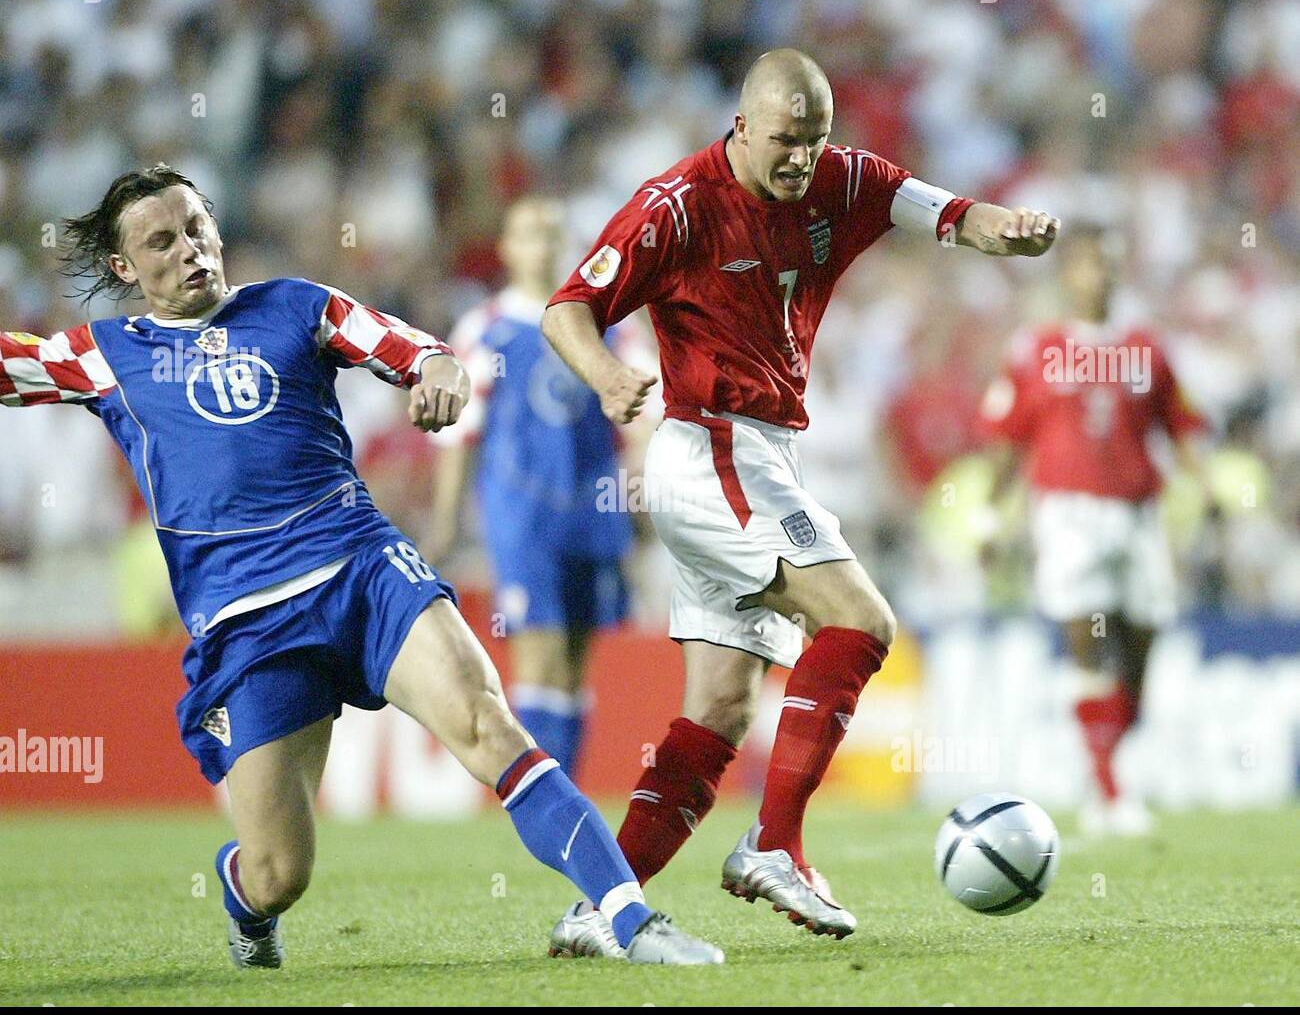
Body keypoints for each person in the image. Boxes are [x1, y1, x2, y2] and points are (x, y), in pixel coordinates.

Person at [0, 164, 722, 967]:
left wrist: (439, 371)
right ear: (125, 269)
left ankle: (628, 919)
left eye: (198, 227)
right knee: (279, 872)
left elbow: (412, 348)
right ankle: (246, 902)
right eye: (162, 242)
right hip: (248, 621)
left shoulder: (295, 306)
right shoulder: (103, 355)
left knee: (489, 722)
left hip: (361, 566)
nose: (191, 249)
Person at [540, 48, 1060, 955]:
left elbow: (943, 212)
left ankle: (601, 908)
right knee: (861, 623)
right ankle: (774, 843)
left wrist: (1004, 228)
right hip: (714, 448)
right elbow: (567, 308)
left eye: (814, 140)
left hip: (757, 451)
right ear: (742, 126)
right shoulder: (678, 205)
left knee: (720, 710)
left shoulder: (840, 178)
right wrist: (609, 374)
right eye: (784, 140)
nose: (800, 160)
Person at [977, 223, 1212, 836]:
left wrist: (1206, 484)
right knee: (1086, 636)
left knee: (1139, 651)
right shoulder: (1036, 349)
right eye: (1087, 265)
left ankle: (1107, 765)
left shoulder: (1148, 348)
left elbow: (1180, 425)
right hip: (1067, 513)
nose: (1099, 276)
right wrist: (987, 517)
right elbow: (1006, 443)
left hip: (1138, 514)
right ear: (1067, 275)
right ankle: (1108, 792)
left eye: (1108, 265)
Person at [427, 196, 650, 781]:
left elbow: (642, 416)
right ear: (506, 248)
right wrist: (447, 520)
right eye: (530, 234)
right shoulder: (488, 328)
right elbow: (461, 433)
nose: (543, 246)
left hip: (594, 510)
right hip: (522, 513)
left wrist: (644, 494)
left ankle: (564, 792)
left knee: (577, 660)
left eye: (553, 234)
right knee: (540, 650)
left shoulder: (606, 326)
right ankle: (538, 802)